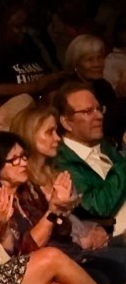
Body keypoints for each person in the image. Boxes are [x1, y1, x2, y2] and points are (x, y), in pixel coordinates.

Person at [0, 131, 107, 284]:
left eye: (24, 157)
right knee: (54, 258)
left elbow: (61, 234)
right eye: (14, 160)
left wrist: (60, 208)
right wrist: (51, 211)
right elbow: (21, 252)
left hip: (51, 262)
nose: (23, 163)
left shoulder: (28, 193)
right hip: (6, 274)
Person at [11, 104, 126, 284]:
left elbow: (69, 226)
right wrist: (57, 211)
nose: (57, 138)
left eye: (57, 131)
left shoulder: (55, 174)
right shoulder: (23, 185)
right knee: (113, 271)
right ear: (30, 135)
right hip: (57, 260)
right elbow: (30, 244)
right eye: (49, 132)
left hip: (77, 248)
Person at [52, 82, 126, 238]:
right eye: (88, 111)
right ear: (66, 122)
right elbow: (98, 207)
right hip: (112, 237)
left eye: (99, 109)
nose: (99, 116)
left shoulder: (104, 146)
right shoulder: (62, 161)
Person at [64, 34, 125, 142]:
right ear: (76, 64)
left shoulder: (103, 85)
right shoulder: (68, 90)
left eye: (100, 58)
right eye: (90, 60)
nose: (97, 64)